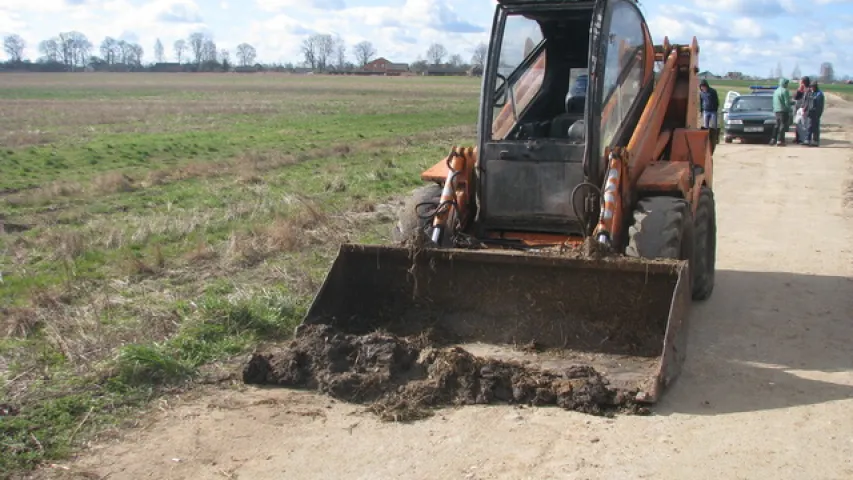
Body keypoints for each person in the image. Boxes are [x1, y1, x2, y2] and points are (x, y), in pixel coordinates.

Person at [802, 82, 824, 147]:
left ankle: (815, 141)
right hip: (810, 113)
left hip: (816, 113)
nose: (811, 88)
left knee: (815, 128)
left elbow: (819, 106)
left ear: (815, 87)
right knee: (809, 126)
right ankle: (807, 140)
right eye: (810, 87)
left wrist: (818, 114)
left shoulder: (819, 94)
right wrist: (805, 109)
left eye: (812, 87)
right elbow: (808, 102)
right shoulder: (811, 92)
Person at [771, 77, 792, 146]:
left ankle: (773, 138)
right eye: (787, 83)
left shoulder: (776, 91)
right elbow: (787, 103)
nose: (787, 85)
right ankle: (780, 140)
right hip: (783, 111)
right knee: (782, 125)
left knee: (777, 125)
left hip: (776, 110)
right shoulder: (785, 91)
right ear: (784, 83)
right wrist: (790, 108)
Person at [699, 79, 720, 145]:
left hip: (713, 111)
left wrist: (715, 109)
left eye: (703, 86)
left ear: (706, 86)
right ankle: (707, 138)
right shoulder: (701, 93)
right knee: (706, 126)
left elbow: (716, 101)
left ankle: (716, 138)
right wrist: (701, 111)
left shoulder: (713, 91)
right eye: (701, 87)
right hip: (706, 111)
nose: (702, 88)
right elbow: (701, 102)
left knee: (714, 125)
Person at [793, 76, 810, 144]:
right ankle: (797, 138)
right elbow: (795, 97)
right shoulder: (801, 89)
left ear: (803, 82)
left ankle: (803, 139)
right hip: (799, 109)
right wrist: (799, 90)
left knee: (803, 125)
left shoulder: (807, 90)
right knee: (797, 124)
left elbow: (797, 97)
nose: (799, 83)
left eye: (801, 81)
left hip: (804, 110)